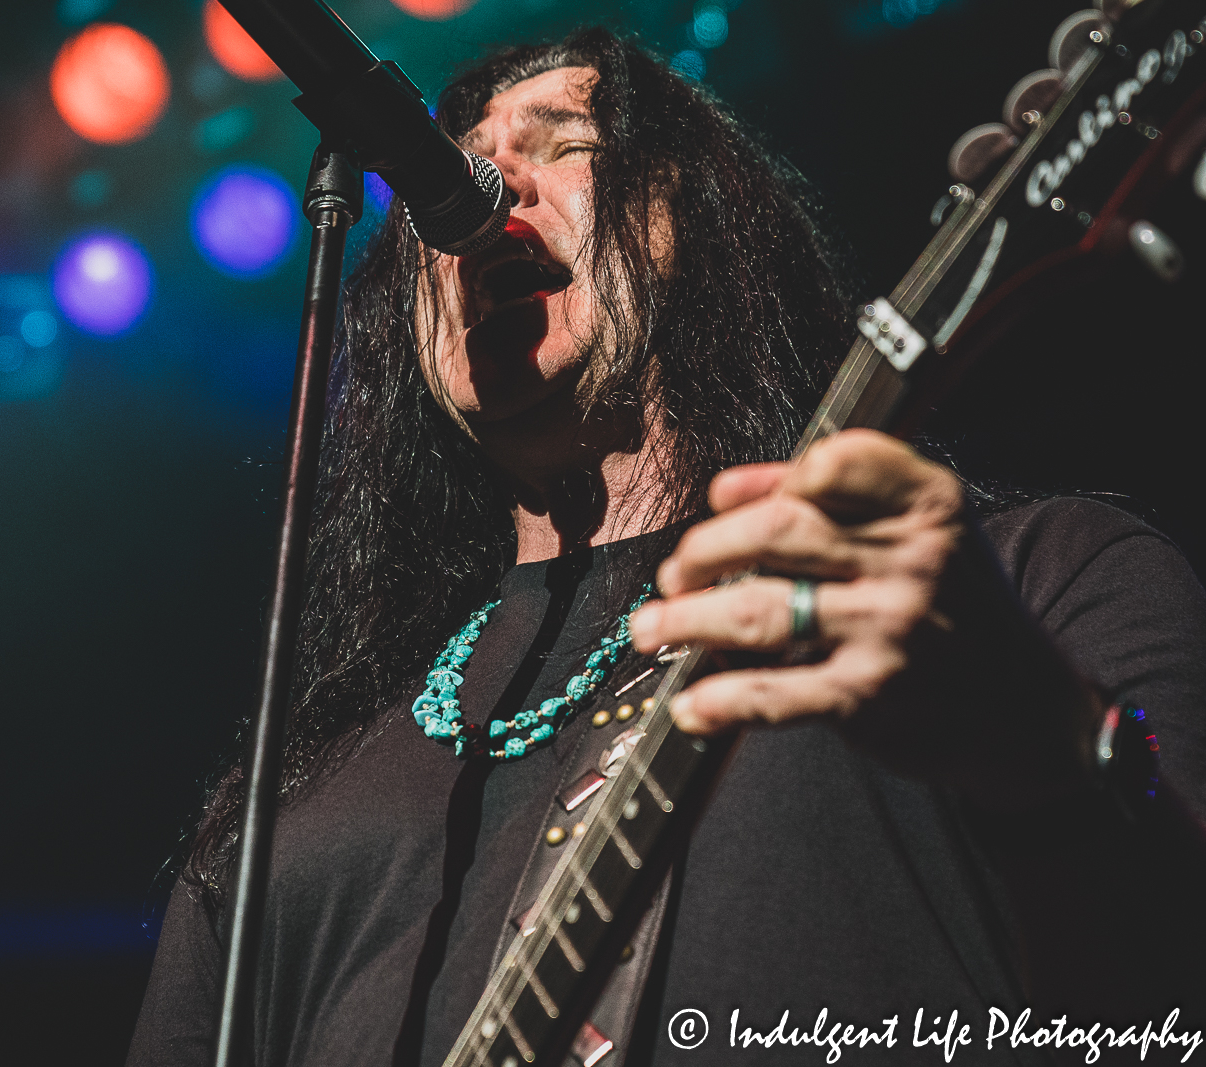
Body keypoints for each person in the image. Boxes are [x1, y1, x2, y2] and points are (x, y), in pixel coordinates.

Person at [130, 28, 1206, 1067]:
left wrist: (1042, 746)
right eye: (447, 179)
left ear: (688, 222)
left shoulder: (1028, 584)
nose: (485, 197)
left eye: (561, 145)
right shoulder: (295, 781)